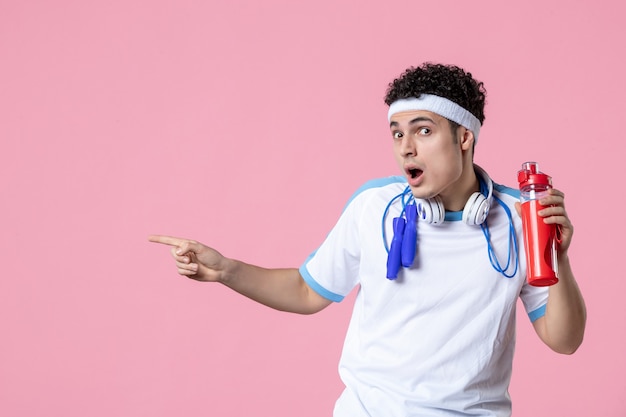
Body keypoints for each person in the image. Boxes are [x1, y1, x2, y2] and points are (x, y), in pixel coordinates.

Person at [149, 63, 586, 416]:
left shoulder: (518, 218)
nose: (406, 148)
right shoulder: (374, 206)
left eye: (424, 130)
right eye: (397, 133)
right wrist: (225, 270)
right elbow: (306, 289)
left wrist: (559, 259)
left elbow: (564, 340)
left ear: (465, 137)